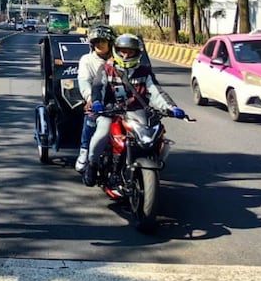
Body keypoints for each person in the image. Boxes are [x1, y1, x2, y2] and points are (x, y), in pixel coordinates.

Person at [83, 33, 185, 187]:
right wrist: (97, 102)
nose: (126, 55)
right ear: (116, 51)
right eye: (123, 51)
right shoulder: (106, 69)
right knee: (102, 134)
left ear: (137, 53)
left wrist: (172, 107)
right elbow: (98, 87)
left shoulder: (145, 72)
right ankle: (92, 165)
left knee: (154, 135)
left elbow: (156, 92)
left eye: (130, 52)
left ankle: (151, 161)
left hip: (137, 112)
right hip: (111, 112)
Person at [75, 24, 116, 173]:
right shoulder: (87, 60)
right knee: (91, 115)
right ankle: (84, 151)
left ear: (110, 43)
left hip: (119, 99)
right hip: (97, 99)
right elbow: (84, 81)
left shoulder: (120, 58)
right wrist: (90, 98)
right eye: (96, 41)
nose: (99, 44)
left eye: (103, 41)